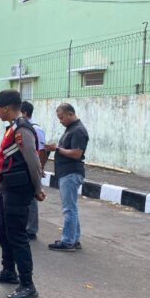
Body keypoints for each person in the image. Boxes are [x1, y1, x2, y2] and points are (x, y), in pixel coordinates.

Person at [0, 89, 45, 298]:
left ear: (7, 108)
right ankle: (8, 270)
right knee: (4, 231)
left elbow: (33, 161)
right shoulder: (13, 128)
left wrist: (37, 188)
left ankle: (28, 284)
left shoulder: (22, 129)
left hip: (19, 190)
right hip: (8, 188)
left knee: (18, 236)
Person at [44, 103, 89, 252]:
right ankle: (74, 239)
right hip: (67, 173)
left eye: (62, 117)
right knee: (71, 208)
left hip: (71, 173)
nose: (60, 120)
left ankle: (68, 241)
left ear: (70, 114)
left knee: (69, 209)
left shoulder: (78, 131)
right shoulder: (71, 129)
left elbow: (76, 153)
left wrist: (56, 148)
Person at [21, 101, 47, 239]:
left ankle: (31, 229)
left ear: (24, 113)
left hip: (32, 168)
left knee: (32, 199)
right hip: (23, 169)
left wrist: (40, 170)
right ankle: (26, 226)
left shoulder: (35, 129)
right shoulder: (22, 127)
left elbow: (41, 151)